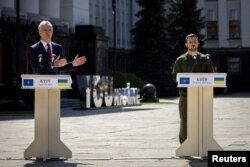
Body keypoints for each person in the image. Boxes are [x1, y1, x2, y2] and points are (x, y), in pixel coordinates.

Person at [172, 33, 214, 144]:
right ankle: (185, 145)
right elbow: (175, 76)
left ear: (198, 43)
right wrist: (186, 84)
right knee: (185, 121)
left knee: (202, 121)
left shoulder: (205, 59)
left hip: (202, 95)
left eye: (194, 41)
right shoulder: (180, 60)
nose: (193, 43)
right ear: (186, 44)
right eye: (190, 42)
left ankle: (202, 144)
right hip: (186, 95)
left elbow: (211, 76)